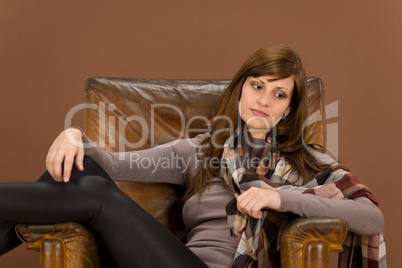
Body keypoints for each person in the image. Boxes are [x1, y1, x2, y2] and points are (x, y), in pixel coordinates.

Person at [0, 45, 385, 268]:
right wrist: (73, 134)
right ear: (242, 90)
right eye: (257, 86)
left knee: (96, 195)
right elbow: (109, 163)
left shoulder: (307, 161)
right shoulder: (200, 149)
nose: (264, 101)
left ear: (288, 108)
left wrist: (278, 197)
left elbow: (372, 217)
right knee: (78, 173)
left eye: (279, 94)